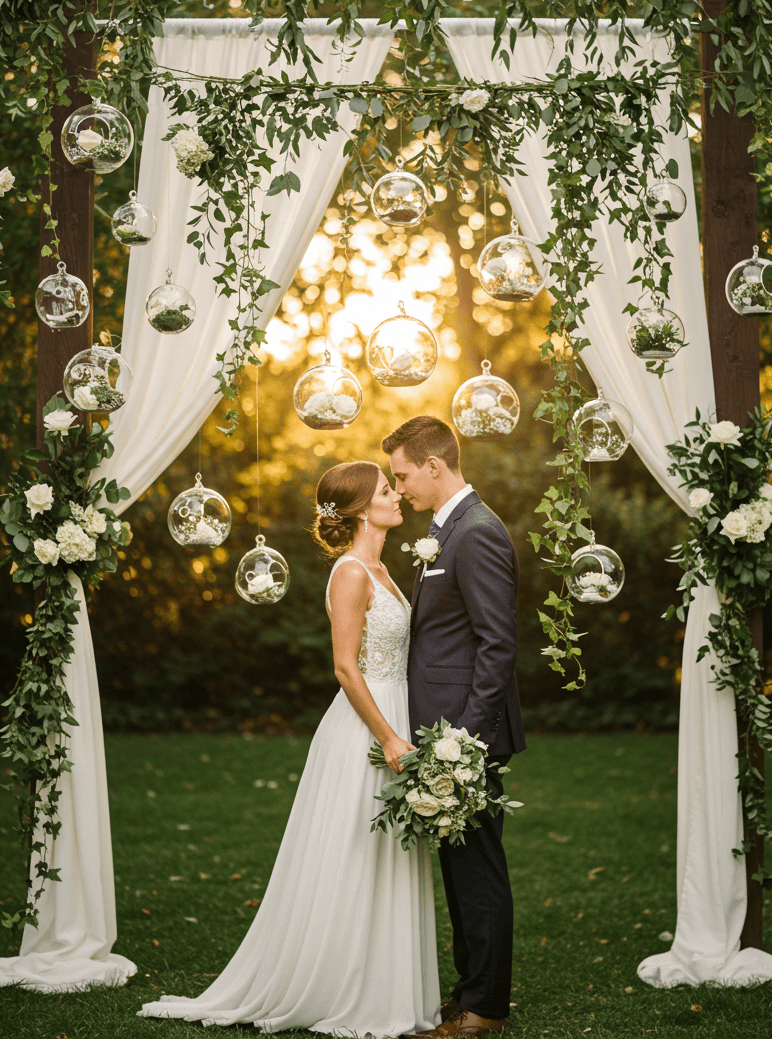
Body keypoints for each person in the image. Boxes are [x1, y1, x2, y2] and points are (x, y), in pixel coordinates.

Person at [138, 460, 440, 1037]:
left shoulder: (383, 566)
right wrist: (390, 737)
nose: (397, 494)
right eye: (385, 489)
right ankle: (344, 985)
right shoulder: (351, 572)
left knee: (389, 857)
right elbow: (346, 668)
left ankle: (385, 981)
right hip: (369, 727)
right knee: (356, 853)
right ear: (358, 510)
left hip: (396, 713)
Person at [383, 417, 525, 1039]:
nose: (399, 487)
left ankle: (485, 1009)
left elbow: (498, 646)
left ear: (434, 466)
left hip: (465, 737)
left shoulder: (477, 534)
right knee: (459, 870)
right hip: (445, 735)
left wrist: (463, 742)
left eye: (402, 475)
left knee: (478, 871)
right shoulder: (446, 530)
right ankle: (469, 993)